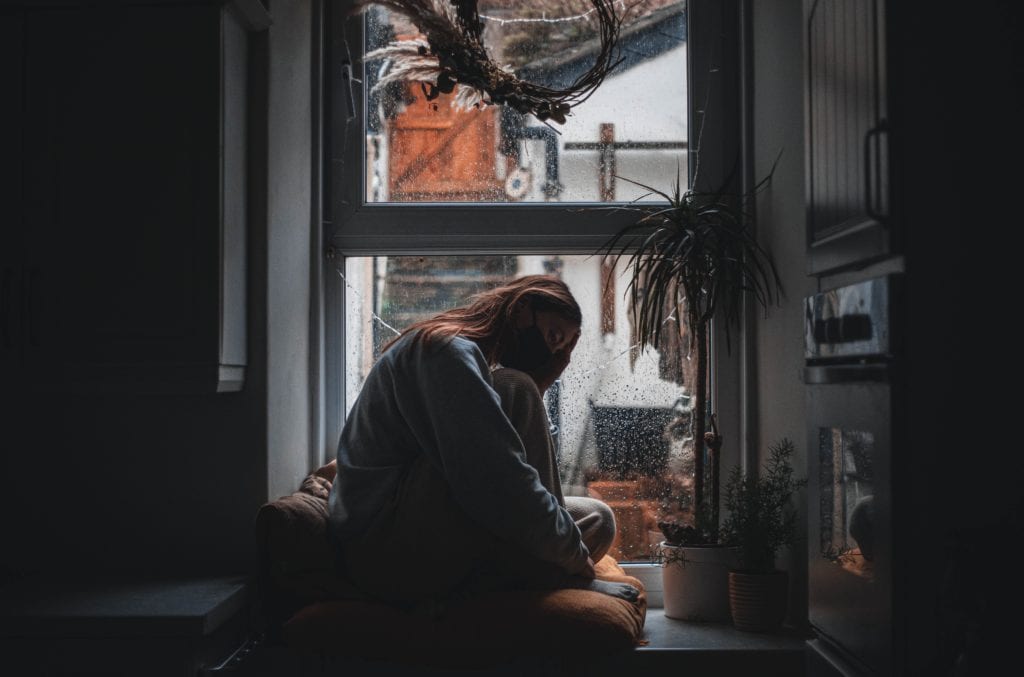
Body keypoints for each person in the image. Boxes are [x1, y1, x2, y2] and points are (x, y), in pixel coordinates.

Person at [327, 274, 638, 609]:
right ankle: (545, 576)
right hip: (384, 550)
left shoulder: (468, 358)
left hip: (421, 531)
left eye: (559, 350)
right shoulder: (445, 352)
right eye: (552, 337)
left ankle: (502, 577)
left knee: (598, 519)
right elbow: (499, 479)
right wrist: (574, 560)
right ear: (521, 309)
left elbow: (505, 470)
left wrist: (539, 386)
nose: (550, 353)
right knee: (514, 389)